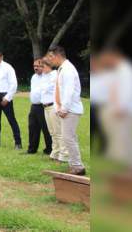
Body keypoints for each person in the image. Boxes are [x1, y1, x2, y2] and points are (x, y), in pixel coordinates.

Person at [46, 45, 85, 175]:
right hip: (66, 108)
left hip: (70, 109)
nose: (49, 60)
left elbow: (68, 91)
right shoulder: (62, 69)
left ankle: (77, 166)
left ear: (58, 55)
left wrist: (64, 108)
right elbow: (59, 91)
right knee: (68, 137)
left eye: (51, 57)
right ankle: (74, 164)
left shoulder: (68, 69)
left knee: (68, 138)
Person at [40, 59, 66, 162]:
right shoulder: (44, 76)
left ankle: (63, 155)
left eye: (43, 66)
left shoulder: (55, 75)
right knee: (52, 132)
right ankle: (55, 152)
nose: (41, 69)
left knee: (58, 131)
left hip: (53, 106)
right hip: (45, 106)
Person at [27, 59, 52, 155]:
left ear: (44, 66)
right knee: (32, 127)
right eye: (34, 66)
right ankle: (32, 149)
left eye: (38, 66)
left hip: (44, 106)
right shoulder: (34, 77)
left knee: (46, 128)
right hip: (34, 105)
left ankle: (49, 149)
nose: (36, 68)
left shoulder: (47, 77)